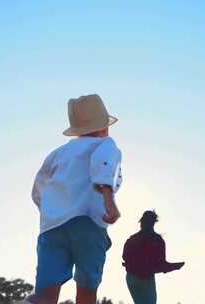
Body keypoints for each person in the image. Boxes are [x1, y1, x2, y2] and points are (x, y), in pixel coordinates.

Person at [26, 94, 123, 304]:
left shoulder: (58, 153)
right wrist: (109, 200)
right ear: (104, 126)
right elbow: (104, 163)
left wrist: (53, 211)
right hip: (87, 222)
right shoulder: (106, 144)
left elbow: (38, 188)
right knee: (87, 288)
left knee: (45, 293)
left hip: (52, 228)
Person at [122, 211, 185, 304]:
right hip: (145, 279)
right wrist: (174, 266)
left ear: (141, 222)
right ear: (153, 223)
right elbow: (162, 265)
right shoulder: (158, 240)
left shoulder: (132, 239)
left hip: (131, 278)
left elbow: (124, 257)